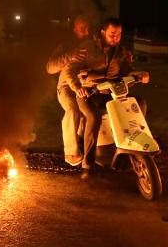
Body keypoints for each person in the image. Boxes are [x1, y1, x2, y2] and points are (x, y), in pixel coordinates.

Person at [64, 17, 149, 179]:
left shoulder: (121, 52)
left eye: (119, 34)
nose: (116, 38)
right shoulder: (87, 48)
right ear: (103, 33)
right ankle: (87, 165)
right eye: (112, 34)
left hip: (111, 92)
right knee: (93, 117)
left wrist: (140, 74)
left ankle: (133, 148)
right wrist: (78, 88)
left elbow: (126, 71)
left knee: (139, 104)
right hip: (89, 93)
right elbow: (70, 70)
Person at [46, 15, 91, 166]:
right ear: (74, 30)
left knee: (89, 114)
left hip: (86, 86)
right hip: (66, 88)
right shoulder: (66, 45)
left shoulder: (93, 44)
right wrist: (69, 55)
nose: (86, 32)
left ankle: (83, 142)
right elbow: (50, 68)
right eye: (82, 29)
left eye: (88, 28)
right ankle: (71, 153)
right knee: (72, 110)